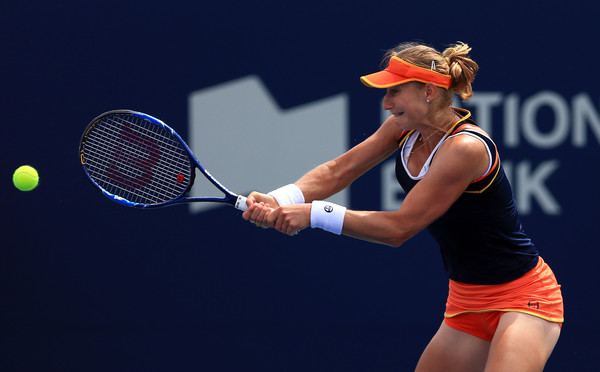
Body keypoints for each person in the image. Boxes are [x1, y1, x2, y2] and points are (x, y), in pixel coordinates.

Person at [242, 41, 564, 371]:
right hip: (466, 300)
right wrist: (282, 198)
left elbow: (399, 228)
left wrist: (314, 214)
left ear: (428, 91)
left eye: (394, 92)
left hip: (523, 297)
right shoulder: (402, 129)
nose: (386, 104)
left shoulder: (465, 148)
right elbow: (339, 170)